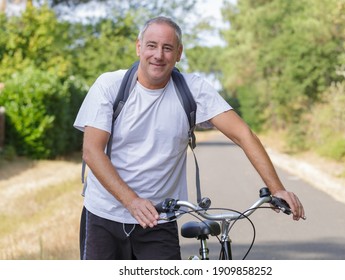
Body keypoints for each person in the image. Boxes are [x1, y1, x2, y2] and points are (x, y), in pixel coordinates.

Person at [73, 16, 305, 260]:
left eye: (167, 48)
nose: (158, 55)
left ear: (179, 53)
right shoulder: (109, 85)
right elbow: (92, 151)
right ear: (139, 47)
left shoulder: (192, 90)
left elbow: (243, 134)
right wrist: (132, 201)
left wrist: (277, 189)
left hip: (157, 219)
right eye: (151, 45)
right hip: (104, 216)